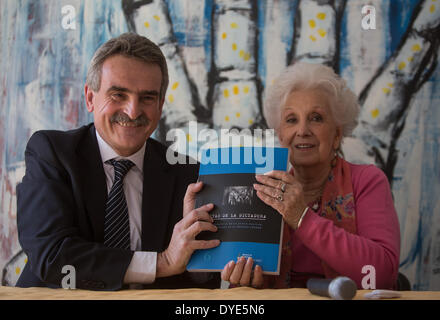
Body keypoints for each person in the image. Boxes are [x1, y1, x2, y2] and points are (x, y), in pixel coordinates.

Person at [16, 33, 220, 290]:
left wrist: (227, 272)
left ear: (160, 106)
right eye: (118, 95)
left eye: (147, 98)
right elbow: (53, 256)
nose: (133, 111)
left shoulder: (188, 172)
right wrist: (161, 262)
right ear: (90, 98)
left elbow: (194, 273)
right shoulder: (51, 153)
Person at [221, 62, 400, 289]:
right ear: (281, 135)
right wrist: (249, 283)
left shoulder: (367, 181)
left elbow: (382, 275)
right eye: (291, 120)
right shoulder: (264, 190)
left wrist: (302, 218)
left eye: (316, 118)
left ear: (336, 134)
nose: (303, 130)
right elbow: (248, 288)